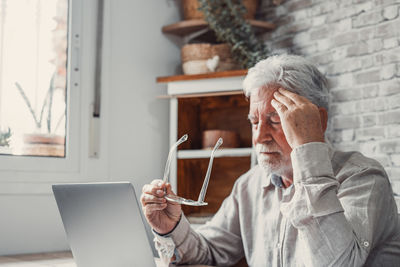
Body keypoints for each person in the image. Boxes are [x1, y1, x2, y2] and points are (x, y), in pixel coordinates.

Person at [141, 54, 400, 266]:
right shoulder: (249, 186)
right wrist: (170, 228)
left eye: (276, 120)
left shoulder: (364, 178)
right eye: (254, 122)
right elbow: (210, 252)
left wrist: (308, 149)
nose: (260, 137)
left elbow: (337, 263)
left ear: (318, 122)